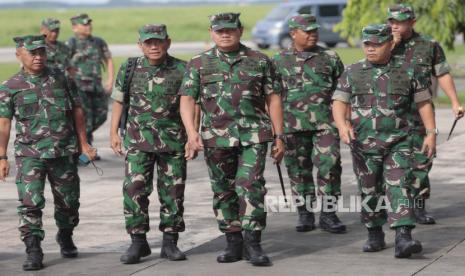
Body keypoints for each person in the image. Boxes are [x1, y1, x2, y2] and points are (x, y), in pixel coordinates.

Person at [179, 12, 284, 266]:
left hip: (253, 134)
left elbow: (274, 98)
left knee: (251, 185)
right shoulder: (199, 63)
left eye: (230, 29)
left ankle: (253, 242)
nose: (225, 34)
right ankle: (233, 241)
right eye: (219, 30)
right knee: (223, 190)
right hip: (215, 137)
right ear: (211, 32)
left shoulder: (260, 61)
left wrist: (279, 136)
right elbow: (187, 99)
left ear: (240, 30)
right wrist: (192, 134)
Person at [332, 24, 436, 258]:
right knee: (370, 189)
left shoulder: (409, 71)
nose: (371, 49)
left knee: (400, 185)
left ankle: (403, 236)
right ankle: (374, 232)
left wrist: (431, 133)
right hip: (363, 143)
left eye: (377, 44)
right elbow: (339, 102)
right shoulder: (352, 71)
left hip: (399, 141)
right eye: (367, 44)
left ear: (390, 43)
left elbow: (423, 103)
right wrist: (341, 125)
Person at [0, 34, 96, 271]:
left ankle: (65, 235)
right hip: (29, 154)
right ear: (19, 55)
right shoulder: (10, 87)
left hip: (63, 153)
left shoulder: (61, 78)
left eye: (41, 52)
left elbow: (77, 111)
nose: (38, 57)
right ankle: (33, 249)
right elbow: (3, 124)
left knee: (69, 203)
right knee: (30, 202)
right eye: (32, 53)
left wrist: (84, 144)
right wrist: (1, 156)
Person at [110, 24, 189, 264]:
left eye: (158, 41)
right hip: (137, 141)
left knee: (173, 193)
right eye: (148, 42)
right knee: (134, 191)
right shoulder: (130, 67)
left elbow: (191, 105)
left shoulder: (182, 69)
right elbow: (119, 101)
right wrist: (113, 132)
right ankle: (138, 242)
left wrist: (192, 137)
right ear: (140, 45)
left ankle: (170, 242)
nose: (153, 46)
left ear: (168, 42)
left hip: (172, 142)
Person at [387, 3, 464, 224]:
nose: (394, 25)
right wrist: (392, 45)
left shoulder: (428, 45)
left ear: (412, 22)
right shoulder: (381, 43)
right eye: (391, 21)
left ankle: (418, 206)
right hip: (388, 115)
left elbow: (442, 73)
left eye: (399, 21)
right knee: (391, 164)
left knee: (422, 159)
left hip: (421, 114)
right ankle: (392, 207)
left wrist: (455, 102)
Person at [272, 14, 346, 233]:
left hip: (326, 124)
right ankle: (304, 214)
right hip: (292, 125)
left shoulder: (330, 57)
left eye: (315, 31)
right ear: (293, 33)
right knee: (298, 169)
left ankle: (329, 214)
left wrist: (345, 122)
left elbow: (343, 93)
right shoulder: (278, 60)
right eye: (307, 31)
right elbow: (271, 96)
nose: (313, 35)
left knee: (330, 165)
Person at [68, 13, 114, 157]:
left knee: (101, 115)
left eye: (89, 23)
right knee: (84, 118)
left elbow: (108, 59)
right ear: (75, 27)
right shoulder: (71, 43)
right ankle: (84, 149)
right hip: (79, 87)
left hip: (96, 85)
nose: (88, 26)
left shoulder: (98, 41)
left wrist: (110, 80)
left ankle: (83, 144)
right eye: (84, 24)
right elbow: (64, 64)